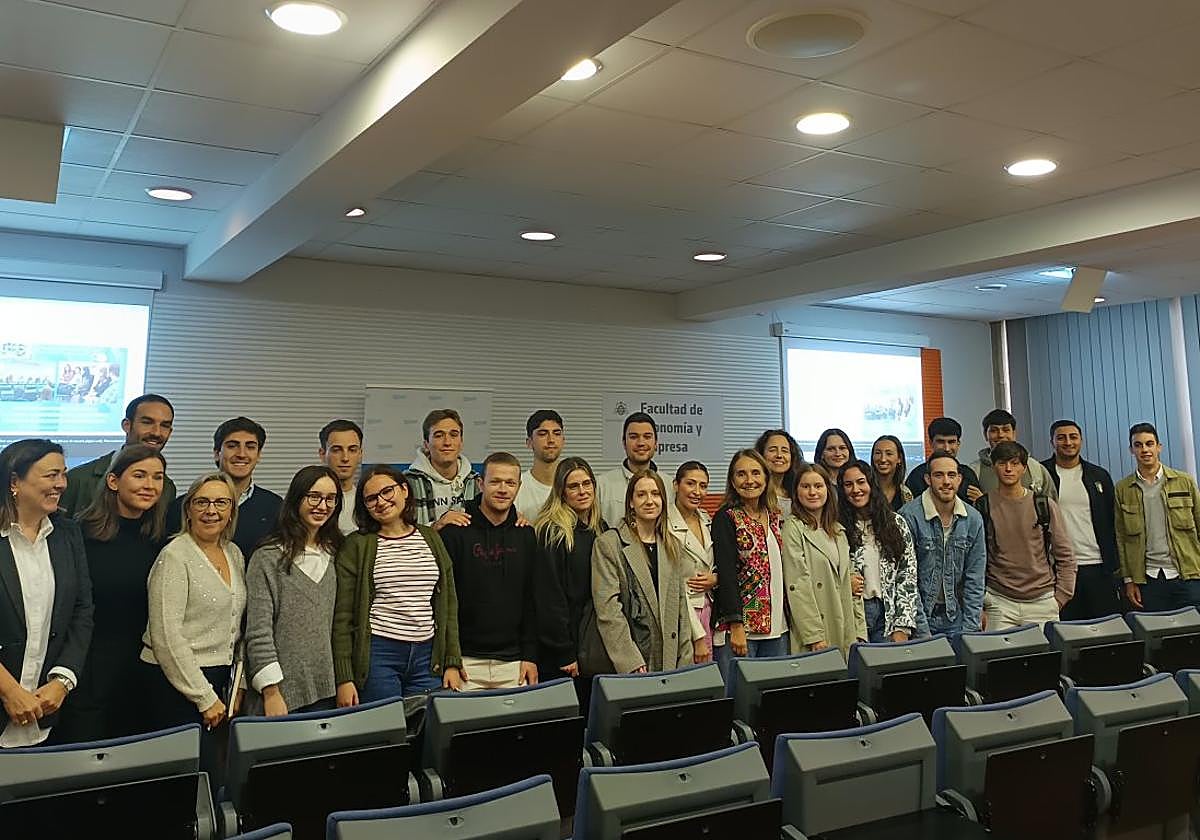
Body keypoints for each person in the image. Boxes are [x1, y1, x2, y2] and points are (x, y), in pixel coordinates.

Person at [54, 444, 166, 743]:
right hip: (88, 670)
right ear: (113, 481)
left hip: (142, 670)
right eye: (140, 475)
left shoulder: (161, 538)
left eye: (158, 477)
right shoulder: (78, 534)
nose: (150, 485)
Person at [140, 472, 244, 788]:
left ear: (231, 511)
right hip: (175, 685)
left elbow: (237, 626)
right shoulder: (175, 556)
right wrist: (205, 698)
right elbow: (166, 636)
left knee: (212, 779)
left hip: (216, 682)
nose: (211, 510)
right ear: (188, 510)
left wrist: (237, 685)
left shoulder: (234, 553)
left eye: (221, 502)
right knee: (182, 785)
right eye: (202, 502)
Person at [332, 466, 463, 705]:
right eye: (371, 498)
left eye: (387, 491)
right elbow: (343, 616)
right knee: (386, 732)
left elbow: (448, 604)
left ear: (404, 490)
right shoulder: (357, 545)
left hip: (428, 655)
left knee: (429, 730)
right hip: (378, 654)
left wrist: (452, 661)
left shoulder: (431, 537)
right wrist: (344, 677)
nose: (381, 501)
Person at [0, 439, 93, 748]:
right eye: (51, 475)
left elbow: (82, 610)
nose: (62, 484)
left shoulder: (67, 534)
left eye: (63, 475)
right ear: (15, 481)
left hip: (46, 713)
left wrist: (62, 681)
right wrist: (9, 691)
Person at [244, 466, 344, 716]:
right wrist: (271, 691)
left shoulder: (337, 553)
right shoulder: (267, 558)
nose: (322, 505)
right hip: (280, 694)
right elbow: (258, 632)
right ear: (297, 498)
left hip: (328, 691)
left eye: (330, 499)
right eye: (314, 496)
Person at [438, 453, 539, 690]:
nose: (503, 489)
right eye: (495, 482)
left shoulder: (526, 535)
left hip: (514, 663)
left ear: (519, 486)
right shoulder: (455, 532)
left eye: (510, 483)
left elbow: (532, 600)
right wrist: (449, 659)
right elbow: (442, 601)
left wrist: (530, 655)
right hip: (464, 662)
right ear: (480, 484)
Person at [591, 471, 701, 673]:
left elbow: (681, 607)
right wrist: (630, 661)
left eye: (656, 494)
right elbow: (608, 611)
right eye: (641, 495)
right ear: (631, 502)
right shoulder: (609, 544)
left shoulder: (672, 545)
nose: (650, 501)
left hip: (670, 660)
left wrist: (685, 657)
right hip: (634, 661)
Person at [977, 441, 1075, 630]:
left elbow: (1065, 554)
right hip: (998, 601)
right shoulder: (983, 506)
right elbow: (974, 559)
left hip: (1043, 600)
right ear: (994, 466)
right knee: (998, 659)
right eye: (1002, 463)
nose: (1008, 469)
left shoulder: (1043, 505)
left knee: (1044, 658)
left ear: (1024, 468)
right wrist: (981, 601)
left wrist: (1061, 597)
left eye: (1014, 464)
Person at [533, 457, 605, 702]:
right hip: (562, 653)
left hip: (592, 646)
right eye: (573, 486)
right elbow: (549, 598)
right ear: (561, 492)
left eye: (587, 483)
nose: (582, 491)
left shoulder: (599, 528)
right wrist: (564, 652)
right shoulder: (553, 532)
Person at [167, 417, 283, 561]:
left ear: (259, 455)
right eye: (232, 446)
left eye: (250, 447)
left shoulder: (275, 506)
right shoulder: (184, 507)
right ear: (217, 453)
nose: (241, 454)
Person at [711, 450, 786, 674]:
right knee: (739, 700)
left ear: (765, 477)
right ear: (732, 481)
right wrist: (736, 625)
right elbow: (726, 573)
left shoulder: (774, 515)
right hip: (742, 630)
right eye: (741, 474)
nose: (749, 480)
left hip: (777, 627)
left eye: (755, 473)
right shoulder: (726, 516)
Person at [782, 463, 866, 653]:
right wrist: (814, 636)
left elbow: (853, 585)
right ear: (796, 492)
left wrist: (860, 630)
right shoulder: (793, 528)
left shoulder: (838, 530)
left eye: (818, 486)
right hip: (816, 631)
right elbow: (798, 585)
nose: (812, 492)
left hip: (846, 626)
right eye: (805, 486)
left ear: (828, 490)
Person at [900, 451, 986, 637]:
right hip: (920, 616)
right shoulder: (908, 516)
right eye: (939, 475)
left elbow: (975, 578)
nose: (946, 481)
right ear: (928, 479)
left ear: (959, 479)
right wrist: (923, 632)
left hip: (956, 616)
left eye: (951, 475)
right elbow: (907, 581)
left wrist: (970, 630)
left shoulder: (973, 518)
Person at [1116, 422, 1200, 611]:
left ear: (1158, 447)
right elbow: (1122, 539)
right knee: (1160, 636)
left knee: (1194, 635)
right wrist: (1129, 580)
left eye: (1149, 443)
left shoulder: (1184, 481)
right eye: (1138, 445)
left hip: (1188, 575)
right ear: (1131, 450)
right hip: (1149, 578)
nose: (1144, 450)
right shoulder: (1123, 489)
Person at [1041, 420, 1121, 619]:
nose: (1068, 442)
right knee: (1068, 635)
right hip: (1059, 570)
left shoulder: (1099, 476)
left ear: (1081, 441)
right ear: (1052, 442)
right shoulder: (1041, 474)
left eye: (1073, 437)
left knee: (1107, 633)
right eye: (1061, 437)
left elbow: (1114, 522)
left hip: (1098, 566)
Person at [837, 460, 919, 643]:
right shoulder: (835, 526)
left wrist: (902, 626)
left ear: (871, 484)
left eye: (861, 482)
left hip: (887, 614)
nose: (855, 489)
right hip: (853, 613)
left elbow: (907, 574)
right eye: (848, 485)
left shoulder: (895, 523)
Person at [60, 394, 176, 517]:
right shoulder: (78, 480)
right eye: (147, 422)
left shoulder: (167, 488)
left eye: (164, 425)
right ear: (126, 425)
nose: (156, 432)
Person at [669, 461, 717, 659]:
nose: (697, 491)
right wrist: (698, 637)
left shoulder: (707, 519)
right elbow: (674, 586)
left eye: (703, 486)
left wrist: (716, 578)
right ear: (675, 485)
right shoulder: (664, 524)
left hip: (711, 610)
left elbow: (716, 563)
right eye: (691, 484)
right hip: (684, 616)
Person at [407, 409, 480, 530]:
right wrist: (436, 527)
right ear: (426, 444)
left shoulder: (476, 482)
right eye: (439, 435)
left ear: (461, 442)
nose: (447, 442)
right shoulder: (408, 483)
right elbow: (401, 532)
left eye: (454, 435)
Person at [597, 412, 672, 529]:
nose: (641, 443)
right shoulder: (602, 485)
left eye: (647, 437)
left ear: (656, 443)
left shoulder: (669, 485)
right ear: (624, 443)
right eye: (633, 437)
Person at [971, 409, 1057, 499]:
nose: (1000, 435)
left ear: (1014, 433)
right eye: (994, 430)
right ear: (985, 435)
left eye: (1006, 430)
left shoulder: (1034, 468)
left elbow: (1051, 505)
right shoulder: (975, 470)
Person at [904, 417, 983, 502]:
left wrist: (981, 501)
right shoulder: (916, 477)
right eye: (941, 442)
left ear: (958, 444)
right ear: (931, 443)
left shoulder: (968, 475)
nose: (947, 448)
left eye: (951, 442)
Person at [516, 410, 564, 519]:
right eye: (543, 434)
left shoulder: (574, 487)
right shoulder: (517, 487)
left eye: (557, 434)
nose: (551, 440)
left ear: (563, 440)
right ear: (529, 442)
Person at [319, 419, 364, 535]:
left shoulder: (369, 502)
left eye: (352, 450)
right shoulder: (309, 503)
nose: (345, 458)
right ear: (322, 454)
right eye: (336, 450)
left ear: (360, 454)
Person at [755, 429, 804, 514]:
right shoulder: (755, 492)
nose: (779, 455)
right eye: (772, 450)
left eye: (785, 451)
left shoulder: (797, 491)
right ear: (761, 455)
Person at [871, 435, 913, 513]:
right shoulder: (865, 488)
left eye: (889, 454)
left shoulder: (905, 494)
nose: (883, 459)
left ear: (899, 459)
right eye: (878, 453)